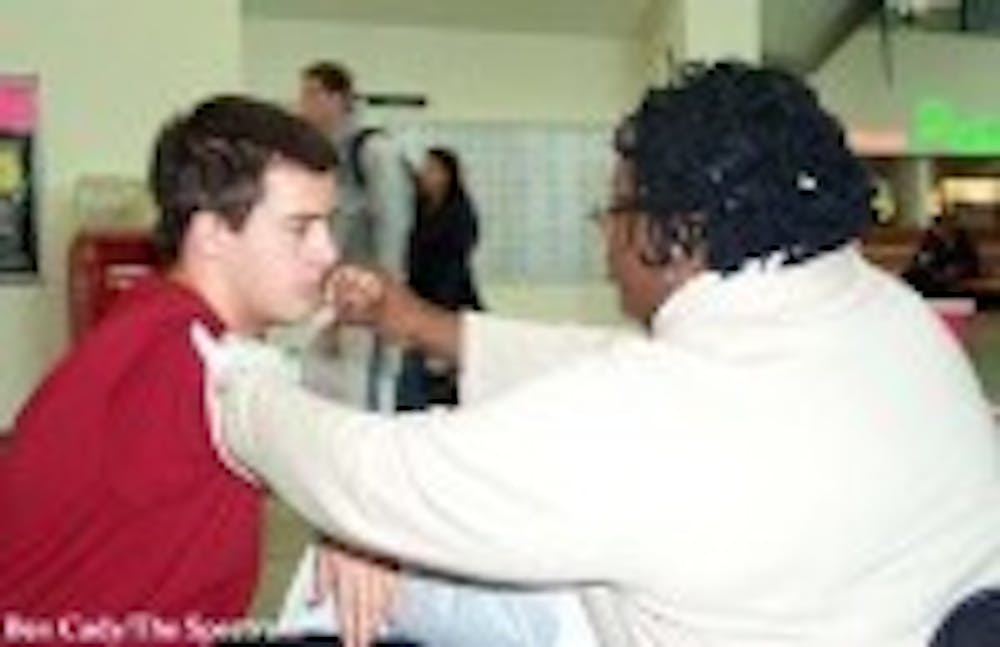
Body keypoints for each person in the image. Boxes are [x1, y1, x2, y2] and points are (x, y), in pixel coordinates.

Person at [197, 62, 1000, 646]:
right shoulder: (882, 315)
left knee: (338, 576)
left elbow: (379, 477)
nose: (605, 238)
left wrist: (243, 388)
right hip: (848, 611)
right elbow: (616, 370)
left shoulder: (652, 419)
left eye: (613, 210)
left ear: (669, 231)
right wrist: (426, 324)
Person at [0, 96, 341, 638]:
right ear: (212, 235)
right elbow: (346, 459)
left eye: (327, 224)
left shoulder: (156, 323)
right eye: (300, 228)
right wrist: (365, 532)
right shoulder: (189, 356)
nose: (328, 252)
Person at [297, 60, 414, 411]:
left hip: (369, 297)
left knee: (366, 400)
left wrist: (385, 297)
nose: (303, 105)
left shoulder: (374, 151)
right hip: (332, 297)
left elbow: (394, 228)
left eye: (312, 94)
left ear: (337, 99)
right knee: (325, 392)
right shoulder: (323, 156)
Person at [396, 147, 484, 410]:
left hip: (449, 301)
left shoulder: (459, 213)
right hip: (417, 301)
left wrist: (438, 315)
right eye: (424, 168)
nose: (426, 174)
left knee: (447, 383)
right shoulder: (419, 209)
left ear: (448, 175)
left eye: (432, 169)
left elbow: (453, 268)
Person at [903, 214, 980, 297]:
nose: (941, 231)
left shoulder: (963, 243)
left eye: (944, 227)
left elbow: (970, 262)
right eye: (938, 228)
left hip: (954, 275)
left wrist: (955, 269)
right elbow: (921, 260)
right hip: (934, 274)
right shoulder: (931, 242)